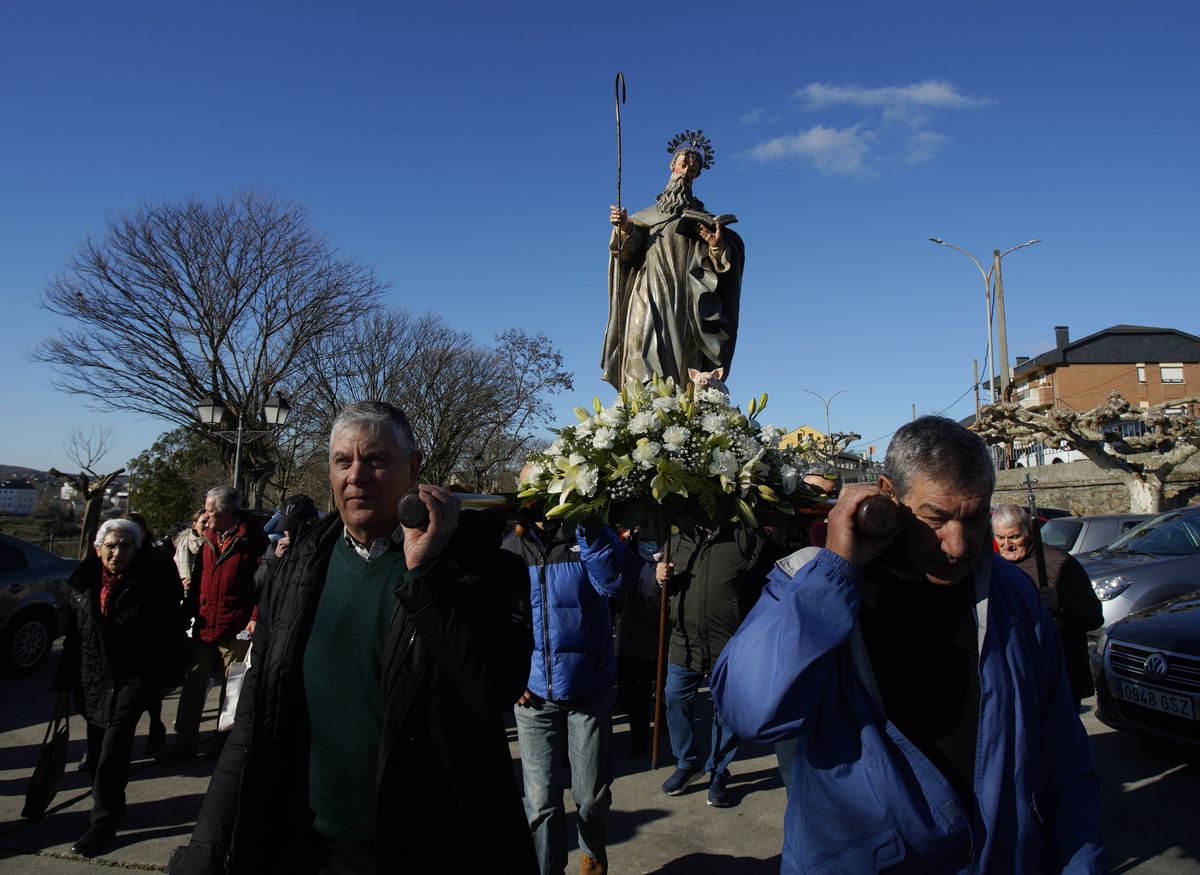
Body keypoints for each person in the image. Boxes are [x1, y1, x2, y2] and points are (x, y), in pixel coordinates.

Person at [711, 416, 1104, 874]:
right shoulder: (808, 581)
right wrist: (835, 572)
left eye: (974, 519)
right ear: (888, 495)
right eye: (935, 518)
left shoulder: (1013, 596)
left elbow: (1063, 755)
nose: (957, 545)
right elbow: (749, 711)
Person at [167, 401, 536, 874]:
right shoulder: (298, 566)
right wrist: (208, 845)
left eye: (377, 461)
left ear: (415, 469)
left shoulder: (484, 570)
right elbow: (258, 712)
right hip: (311, 845)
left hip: (434, 848)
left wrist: (425, 574)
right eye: (343, 461)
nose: (356, 476)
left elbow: (494, 688)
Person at [502, 514, 638, 875]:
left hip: (588, 688)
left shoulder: (589, 533)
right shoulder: (510, 545)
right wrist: (512, 675)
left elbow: (618, 582)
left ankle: (592, 856)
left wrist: (590, 529)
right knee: (540, 803)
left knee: (592, 797)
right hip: (532, 696)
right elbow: (497, 615)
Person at [51, 519, 185, 856]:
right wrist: (64, 680)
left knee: (114, 747)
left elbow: (169, 633)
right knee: (97, 751)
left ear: (136, 550)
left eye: (125, 545)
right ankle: (107, 803)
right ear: (98, 549)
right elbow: (74, 638)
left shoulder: (151, 585)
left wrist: (166, 676)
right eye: (111, 545)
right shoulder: (83, 587)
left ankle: (103, 822)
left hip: (132, 679)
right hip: (93, 678)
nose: (117, 552)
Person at [602, 130, 745, 389]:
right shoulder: (644, 217)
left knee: (683, 355)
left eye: (693, 169)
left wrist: (716, 246)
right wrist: (624, 228)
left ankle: (677, 419)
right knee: (641, 345)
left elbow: (718, 269)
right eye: (684, 165)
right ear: (672, 165)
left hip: (686, 295)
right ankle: (637, 414)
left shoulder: (700, 218)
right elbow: (627, 253)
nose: (687, 171)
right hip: (650, 291)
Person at [656, 523, 772, 807]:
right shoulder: (677, 538)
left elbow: (764, 573)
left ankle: (718, 770)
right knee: (674, 699)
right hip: (683, 641)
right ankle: (687, 761)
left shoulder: (744, 536)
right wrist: (658, 577)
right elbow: (664, 578)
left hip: (728, 642)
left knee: (725, 710)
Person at [158, 486, 267, 762]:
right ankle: (185, 740)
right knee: (194, 682)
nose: (206, 516)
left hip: (237, 624)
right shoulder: (208, 538)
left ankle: (222, 742)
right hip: (206, 623)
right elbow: (199, 578)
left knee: (232, 687)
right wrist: (189, 610)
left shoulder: (253, 539)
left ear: (228, 512)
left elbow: (263, 585)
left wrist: (254, 618)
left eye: (211, 511)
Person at [992, 504, 1104, 710]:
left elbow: (1094, 616)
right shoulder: (996, 567)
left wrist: (1059, 604)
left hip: (1059, 673)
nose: (1006, 545)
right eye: (1000, 538)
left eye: (1014, 537)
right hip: (1020, 675)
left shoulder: (1059, 563)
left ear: (1028, 532)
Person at [123, 511, 186, 754]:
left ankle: (152, 730)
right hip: (128, 637)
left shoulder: (156, 557)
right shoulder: (116, 558)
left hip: (152, 635)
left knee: (148, 689)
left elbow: (174, 593)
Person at [173, 508, 207, 600]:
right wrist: (181, 582)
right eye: (203, 522)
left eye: (208, 521)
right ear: (194, 525)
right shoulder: (183, 544)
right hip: (184, 595)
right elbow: (173, 571)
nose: (207, 525)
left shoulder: (213, 545)